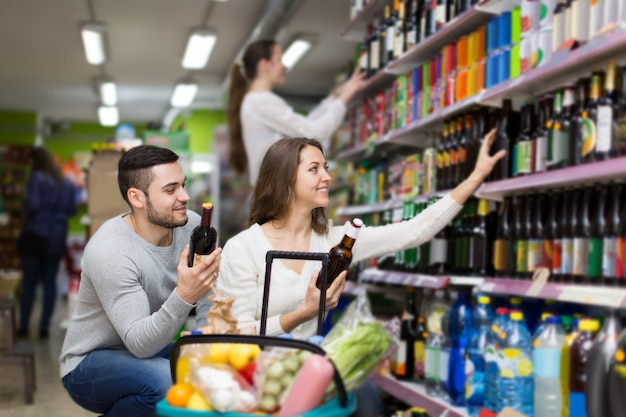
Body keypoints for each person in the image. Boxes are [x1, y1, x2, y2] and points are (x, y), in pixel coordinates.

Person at [196, 131, 504, 416]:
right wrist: (303, 313)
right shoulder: (244, 248)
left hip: (306, 370)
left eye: (326, 168)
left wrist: (476, 177)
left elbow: (414, 232)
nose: (327, 177)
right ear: (284, 177)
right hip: (254, 378)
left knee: (367, 397)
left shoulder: (337, 241)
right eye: (314, 169)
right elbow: (234, 335)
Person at [59, 145, 222, 417]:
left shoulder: (192, 228)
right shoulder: (111, 250)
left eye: (183, 185)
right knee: (165, 382)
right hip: (88, 362)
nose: (185, 196)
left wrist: (204, 346)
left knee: (208, 376)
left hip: (149, 348)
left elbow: (209, 292)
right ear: (137, 197)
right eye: (171, 190)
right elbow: (140, 343)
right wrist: (184, 296)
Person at [227, 38, 367, 188]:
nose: (285, 66)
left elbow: (305, 126)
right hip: (274, 196)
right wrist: (344, 98)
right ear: (264, 65)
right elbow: (314, 133)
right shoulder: (261, 101)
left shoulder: (255, 101)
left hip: (270, 194)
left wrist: (336, 97)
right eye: (279, 59)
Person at [17, 147, 78, 338]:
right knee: (49, 283)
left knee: (29, 283)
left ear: (37, 161)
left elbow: (33, 204)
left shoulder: (37, 178)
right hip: (56, 238)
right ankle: (44, 327)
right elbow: (72, 210)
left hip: (35, 235)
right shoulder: (67, 182)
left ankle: (24, 326)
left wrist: (24, 207)